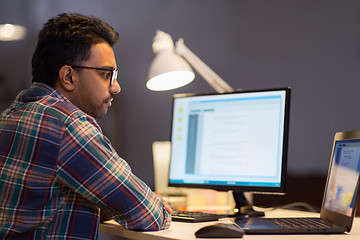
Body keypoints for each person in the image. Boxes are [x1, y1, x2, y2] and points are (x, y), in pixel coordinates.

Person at [0, 13, 172, 239]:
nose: (116, 87)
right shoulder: (67, 124)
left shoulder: (11, 115)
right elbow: (148, 215)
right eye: (105, 74)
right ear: (68, 77)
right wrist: (152, 202)